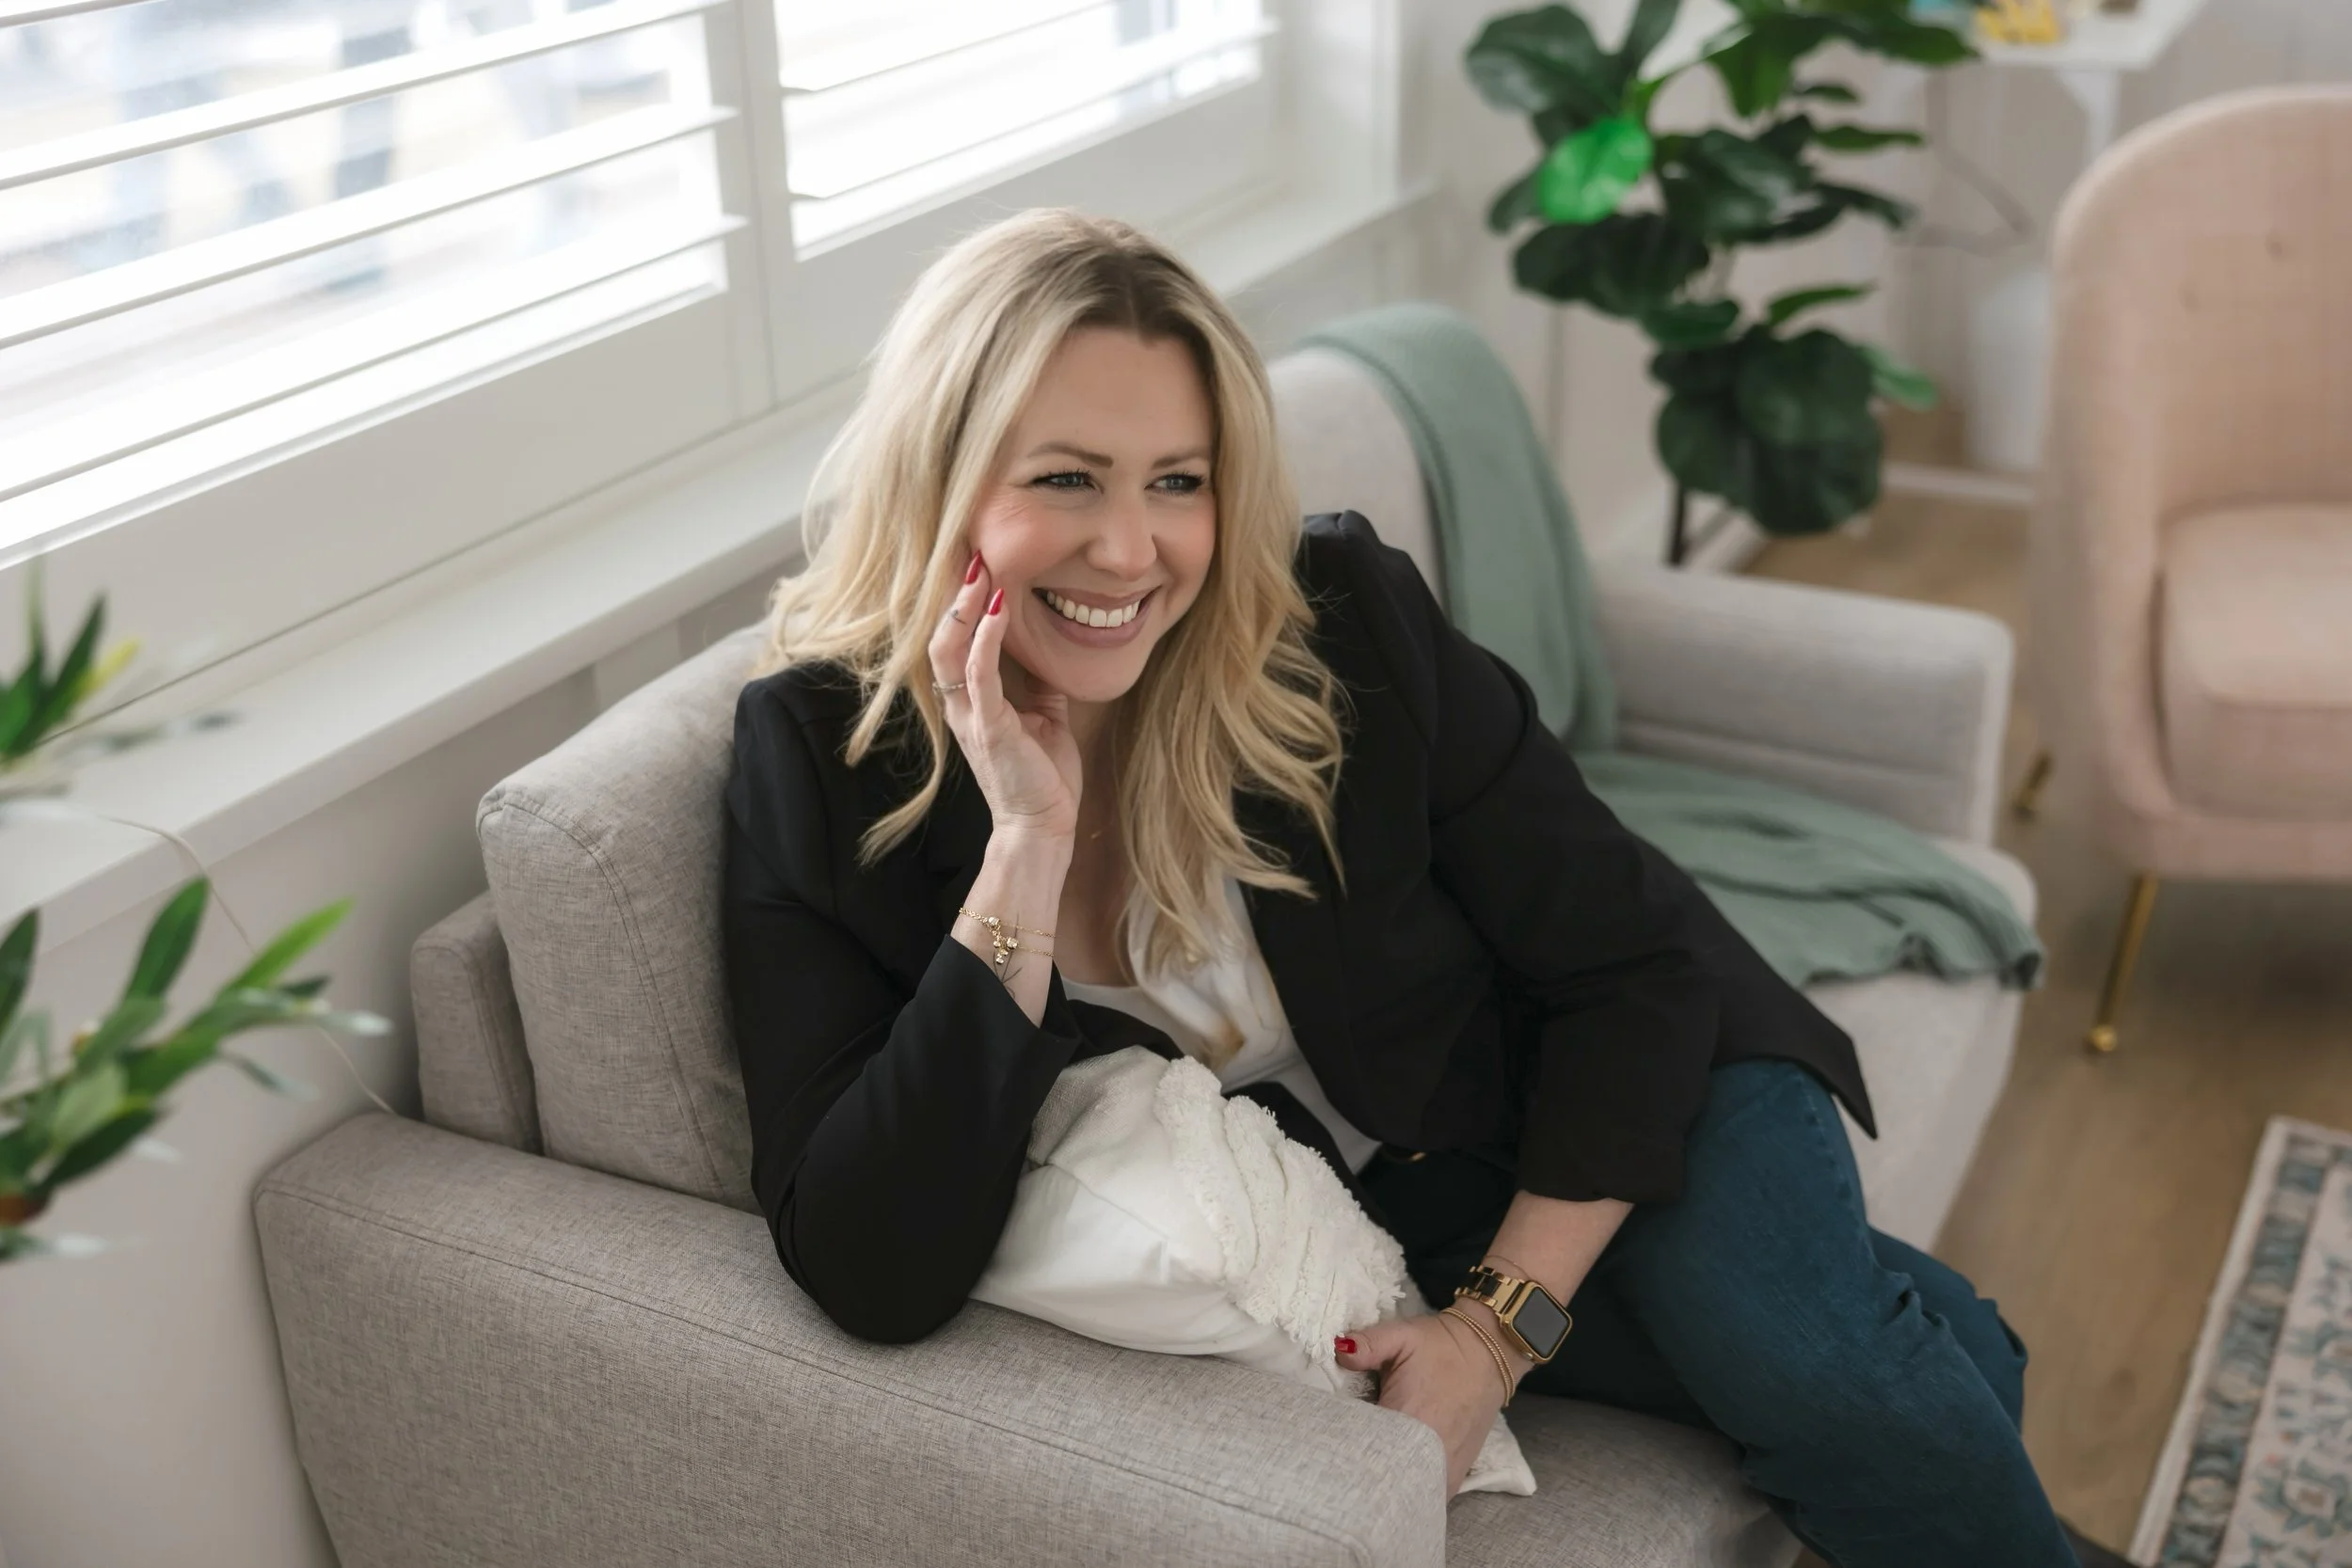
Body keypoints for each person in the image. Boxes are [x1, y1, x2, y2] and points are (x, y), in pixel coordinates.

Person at [720, 207, 2116, 1567]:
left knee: (1839, 1376)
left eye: (1178, 480)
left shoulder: (1334, 612)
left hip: (1618, 1073)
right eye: (1067, 478)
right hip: (1401, 1221)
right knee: (1949, 1355)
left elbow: (1631, 967)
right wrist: (1022, 848)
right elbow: (870, 1267)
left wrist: (1493, 1336)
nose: (1131, 550)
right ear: (941, 480)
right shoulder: (820, 763)